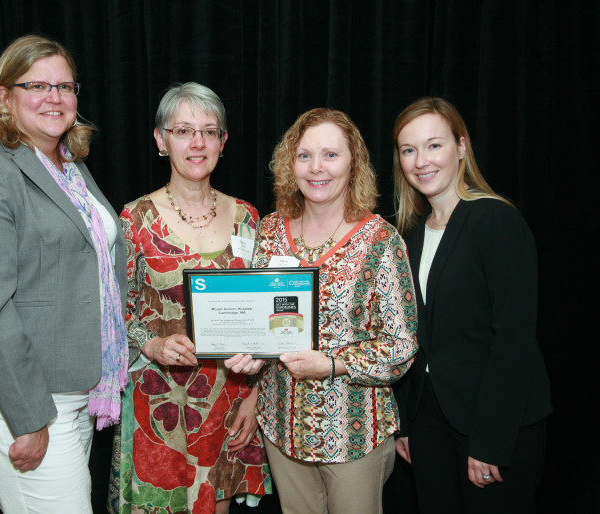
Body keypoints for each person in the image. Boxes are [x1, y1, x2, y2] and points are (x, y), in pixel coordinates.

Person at [0, 34, 128, 512]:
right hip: (18, 392)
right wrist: (27, 417)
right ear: (4, 96)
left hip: (73, 384)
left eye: (65, 86)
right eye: (37, 85)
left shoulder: (68, 167)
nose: (55, 97)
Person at [230, 107, 418, 513]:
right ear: (289, 163)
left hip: (352, 436)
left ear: (354, 163)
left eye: (331, 155)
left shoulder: (380, 241)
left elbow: (401, 348)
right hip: (281, 428)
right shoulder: (270, 230)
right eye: (305, 155)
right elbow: (262, 322)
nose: (317, 168)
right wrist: (250, 360)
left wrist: (331, 365)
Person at [108, 82, 271, 514]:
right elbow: (112, 313)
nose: (197, 143)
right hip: (161, 409)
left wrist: (254, 397)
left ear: (223, 141)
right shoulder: (133, 219)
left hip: (231, 401)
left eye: (209, 131)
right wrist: (153, 343)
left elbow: (268, 318)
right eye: (183, 131)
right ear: (161, 140)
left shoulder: (250, 218)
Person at [391, 97, 552, 513]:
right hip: (429, 423)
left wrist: (490, 443)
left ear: (461, 148)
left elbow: (514, 341)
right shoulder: (409, 235)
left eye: (434, 145)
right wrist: (406, 425)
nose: (421, 161)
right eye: (408, 150)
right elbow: (412, 339)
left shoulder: (496, 222)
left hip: (492, 424)